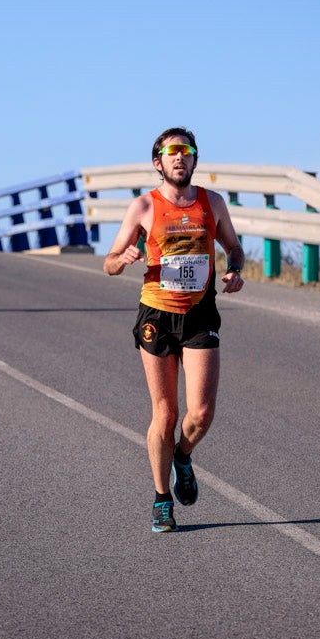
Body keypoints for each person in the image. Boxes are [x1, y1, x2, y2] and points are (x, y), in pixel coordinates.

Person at [104, 127, 245, 532]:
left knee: (200, 414)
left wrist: (234, 270)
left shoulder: (211, 202)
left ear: (195, 160)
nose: (179, 157)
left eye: (186, 151)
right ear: (158, 162)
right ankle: (162, 498)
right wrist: (124, 256)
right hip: (157, 316)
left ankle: (183, 455)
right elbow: (109, 262)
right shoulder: (144, 207)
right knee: (164, 415)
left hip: (200, 313)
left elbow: (233, 247)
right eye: (171, 152)